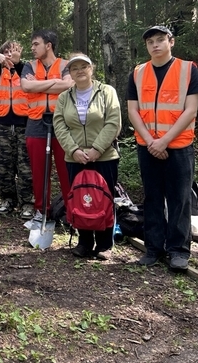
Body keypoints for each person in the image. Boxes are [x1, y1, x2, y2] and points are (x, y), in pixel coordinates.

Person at [127, 25, 198, 271]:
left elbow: (190, 109)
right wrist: (151, 141)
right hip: (147, 147)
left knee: (179, 199)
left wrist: (164, 140)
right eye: (150, 42)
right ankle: (153, 248)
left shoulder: (188, 69)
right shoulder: (137, 73)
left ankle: (178, 251)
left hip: (178, 147)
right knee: (152, 198)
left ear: (171, 42)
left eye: (160, 40)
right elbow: (133, 111)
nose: (155, 45)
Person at [53, 53, 121, 260]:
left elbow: (113, 122)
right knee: (80, 199)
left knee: (104, 199)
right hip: (75, 158)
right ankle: (84, 242)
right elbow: (59, 124)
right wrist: (73, 150)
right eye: (75, 68)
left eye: (84, 66)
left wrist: (97, 149)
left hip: (105, 156)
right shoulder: (65, 97)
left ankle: (104, 244)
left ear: (92, 69)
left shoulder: (107, 92)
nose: (80, 71)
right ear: (70, 74)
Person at [21, 29, 73, 221]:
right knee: (39, 171)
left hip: (63, 124)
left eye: (36, 44)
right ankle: (42, 211)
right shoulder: (29, 66)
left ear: (48, 45)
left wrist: (40, 84)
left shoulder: (66, 65)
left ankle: (71, 213)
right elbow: (26, 87)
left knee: (66, 170)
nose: (32, 48)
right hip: (36, 123)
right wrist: (55, 83)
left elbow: (69, 85)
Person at [0, 40, 33, 218]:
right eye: (6, 51)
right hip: (2, 125)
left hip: (24, 124)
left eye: (13, 50)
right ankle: (7, 199)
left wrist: (16, 62)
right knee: (3, 165)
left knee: (25, 166)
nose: (9, 53)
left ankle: (28, 202)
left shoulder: (26, 69)